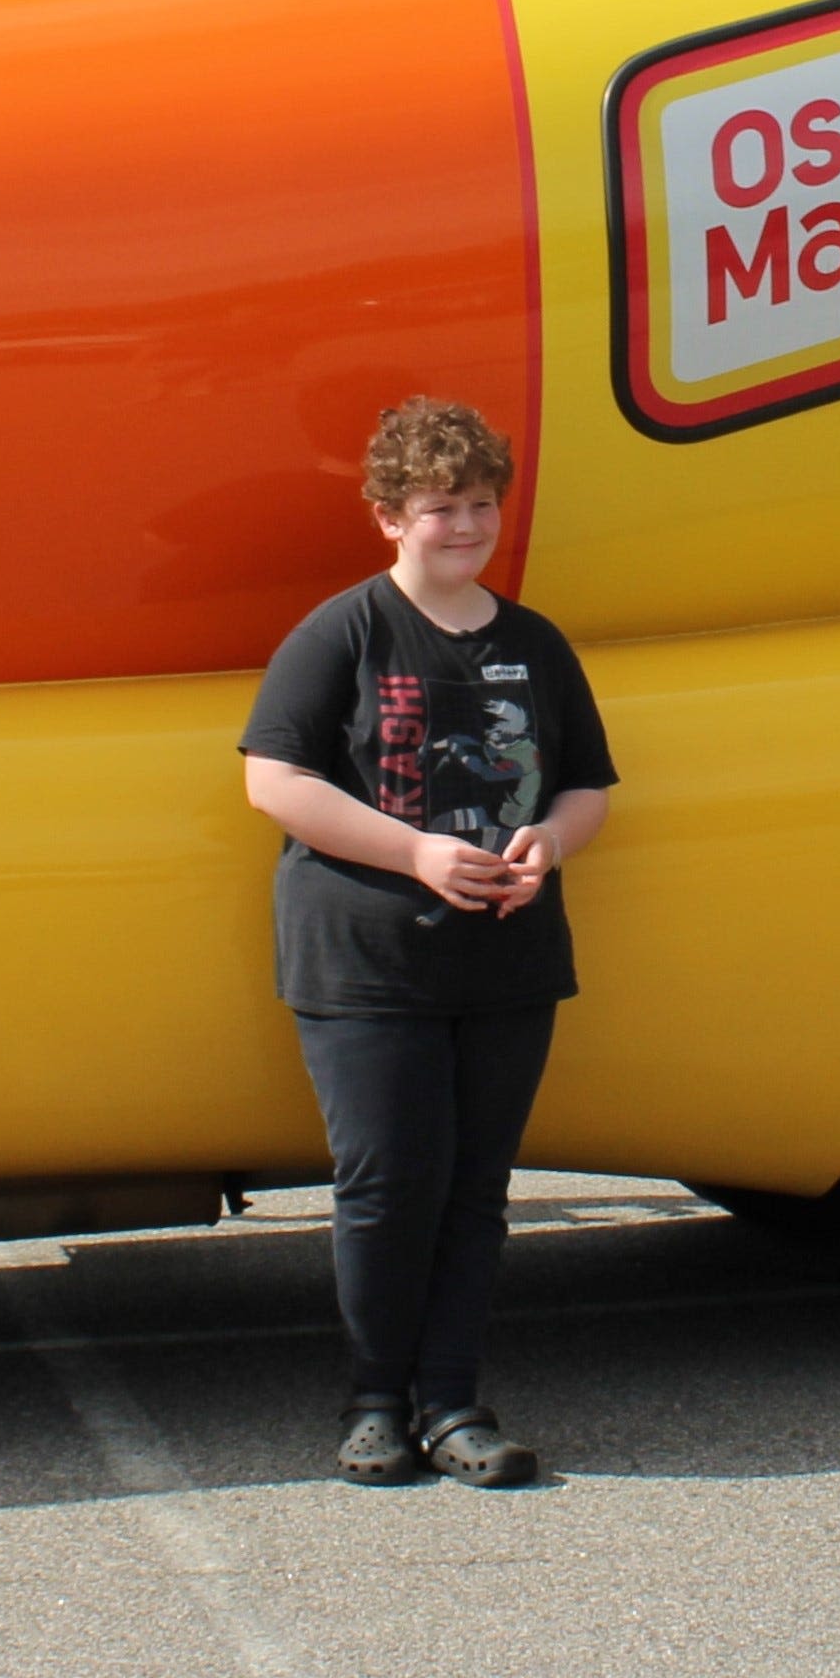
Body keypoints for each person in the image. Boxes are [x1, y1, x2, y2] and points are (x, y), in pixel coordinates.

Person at [236, 399, 616, 1488]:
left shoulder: (533, 643)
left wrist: (552, 839)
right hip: (365, 964)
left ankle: (454, 1405)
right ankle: (373, 1403)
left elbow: (588, 786)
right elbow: (274, 780)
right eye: (440, 508)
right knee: (386, 1184)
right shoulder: (343, 632)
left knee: (475, 1188)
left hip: (507, 961)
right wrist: (417, 857)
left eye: (481, 506)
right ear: (388, 519)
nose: (464, 528)